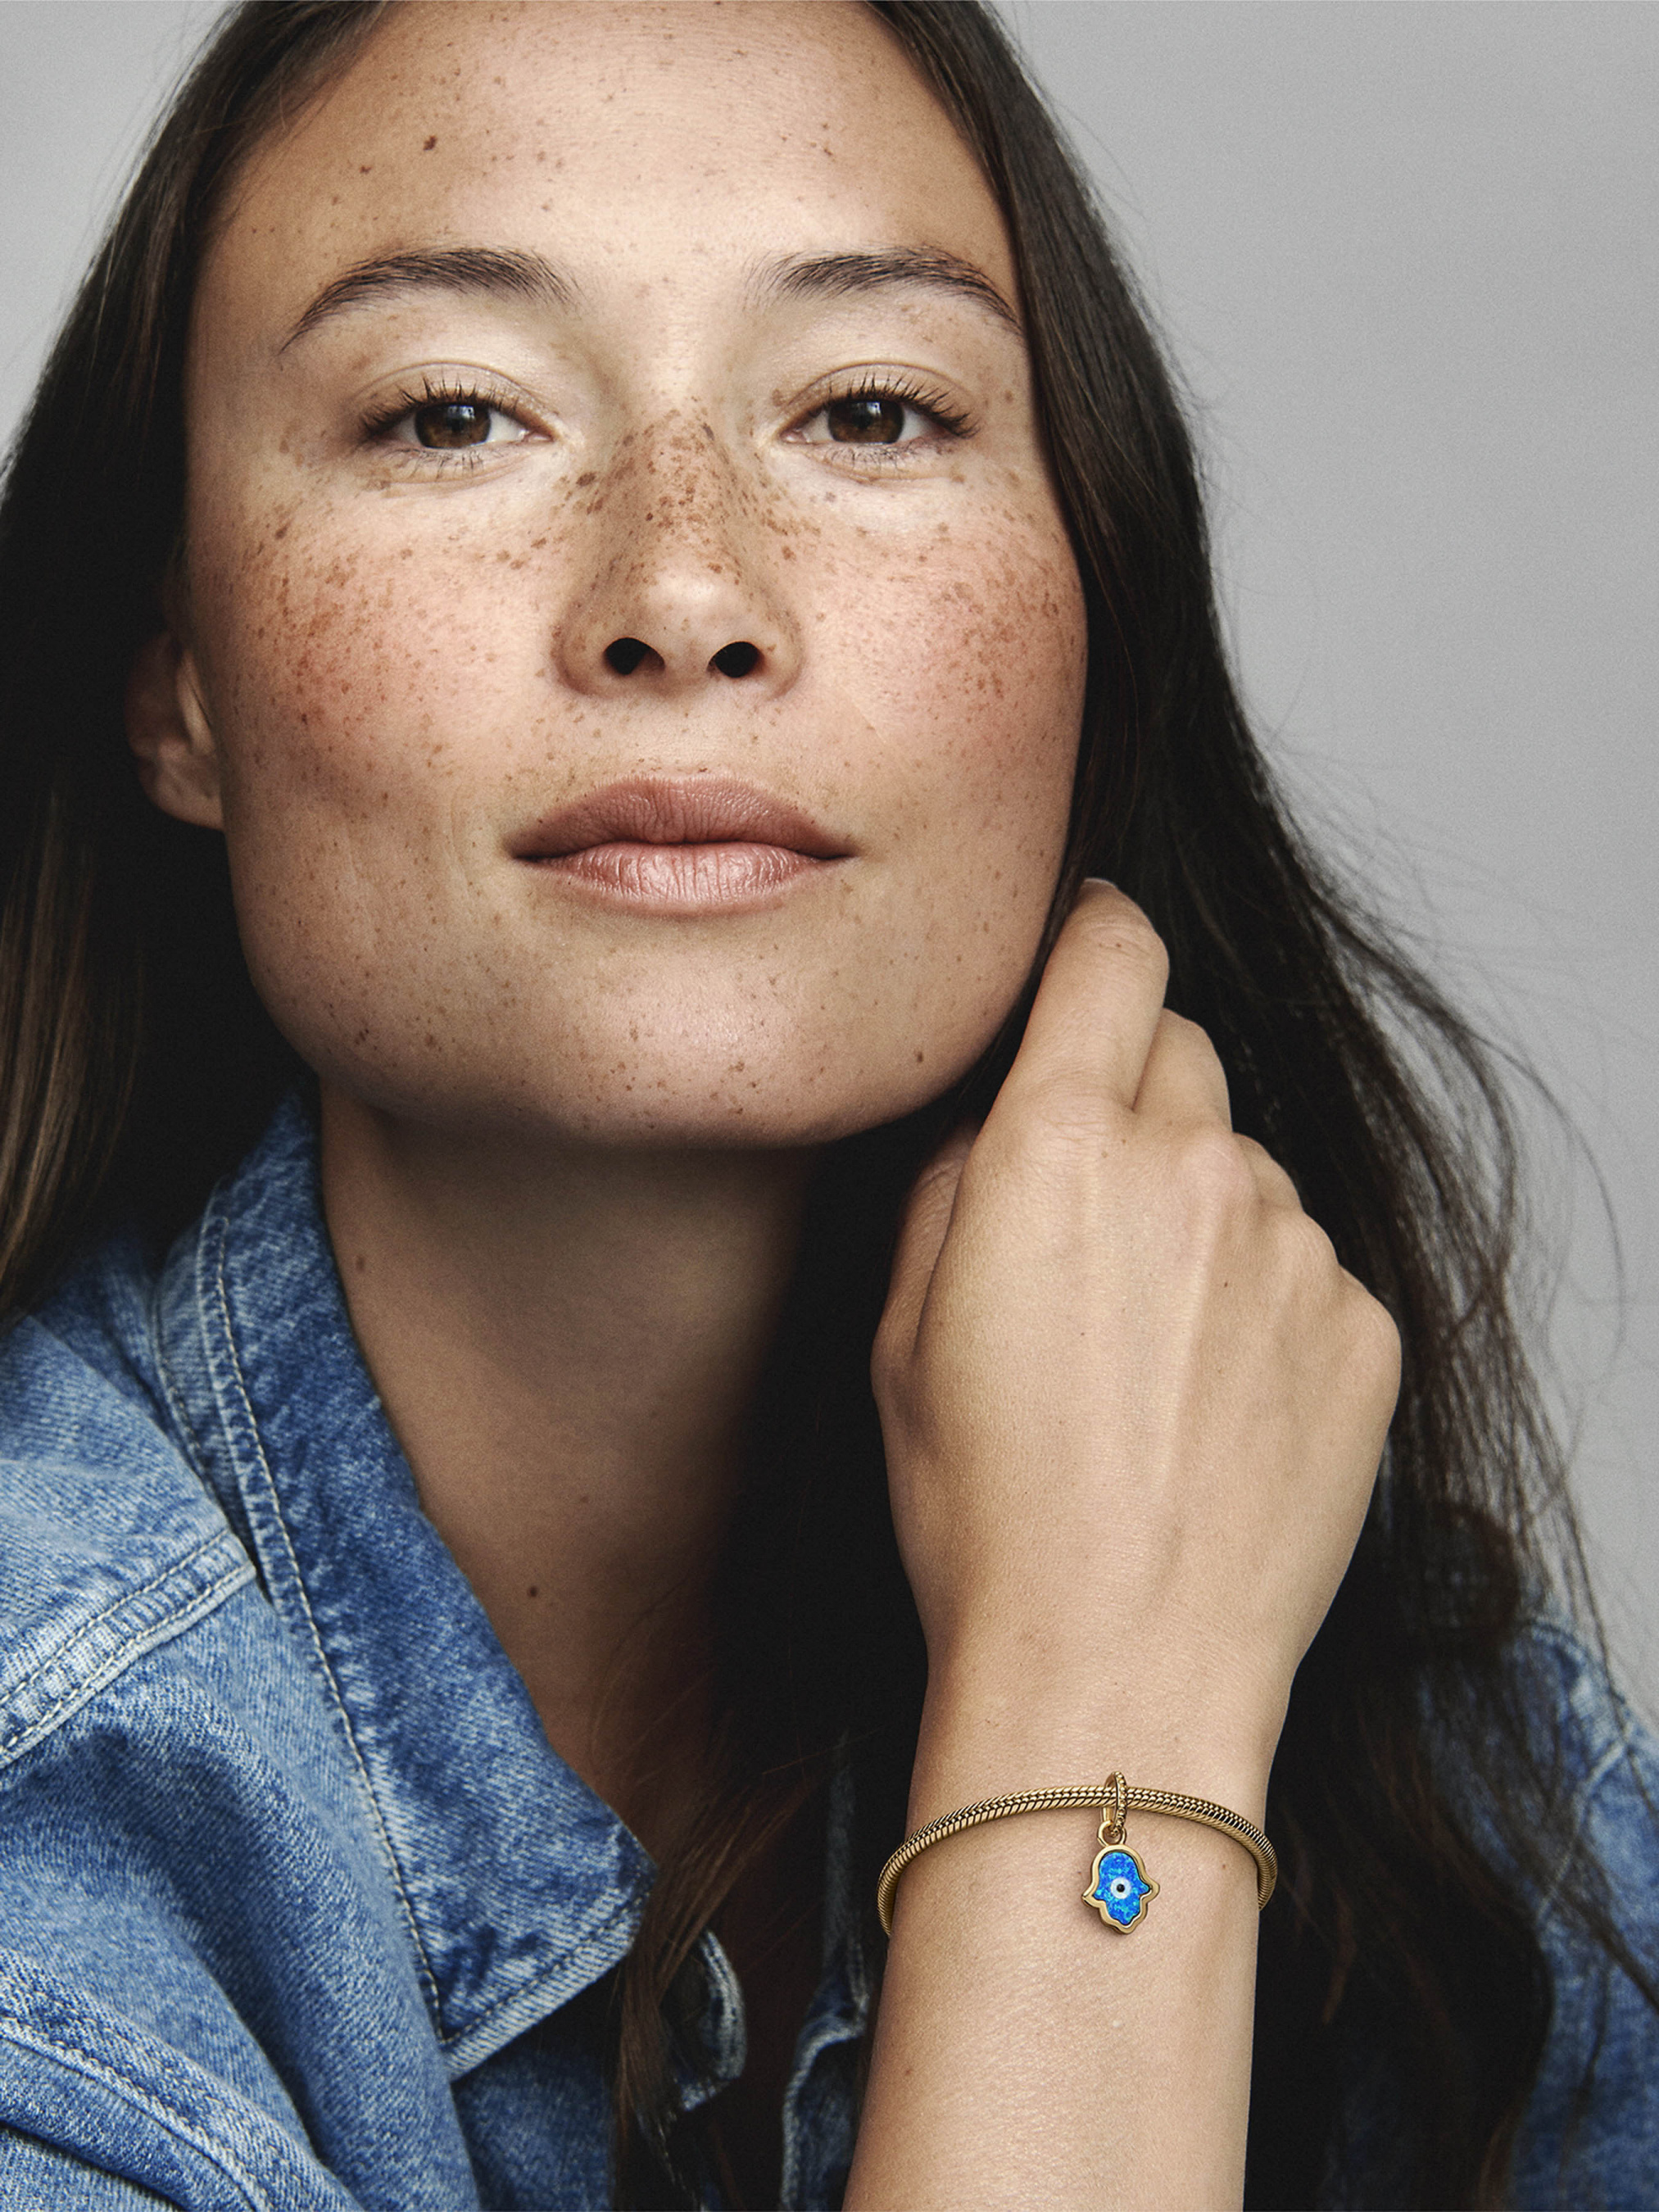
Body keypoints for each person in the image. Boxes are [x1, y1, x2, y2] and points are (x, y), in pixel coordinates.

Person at [0, 2, 1653, 2206]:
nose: (685, 592)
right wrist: (1101, 1737)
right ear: (176, 682)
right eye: (453, 414)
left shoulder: (1367, 1675)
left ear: (1096, 618)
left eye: (872, 410)